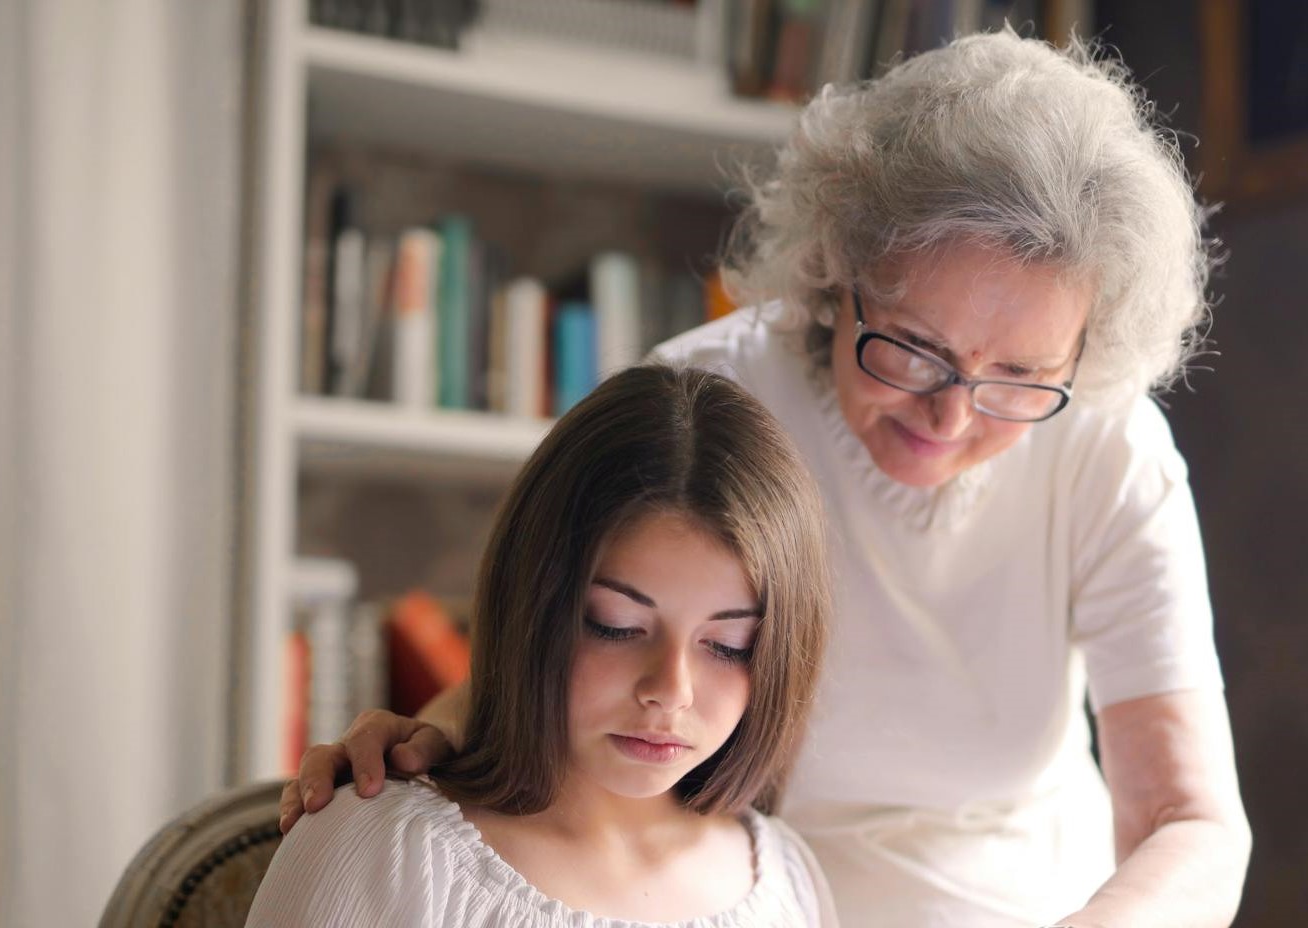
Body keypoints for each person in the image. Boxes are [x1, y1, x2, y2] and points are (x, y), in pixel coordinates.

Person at [282, 28, 1251, 928]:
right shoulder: (700, 406)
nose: (950, 415)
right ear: (836, 273)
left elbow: (1192, 821)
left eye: (1019, 378)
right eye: (910, 349)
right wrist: (433, 736)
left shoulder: (1106, 446)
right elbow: (573, 640)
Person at [249, 365, 839, 927]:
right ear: (533, 605)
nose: (670, 691)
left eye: (730, 644)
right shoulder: (384, 852)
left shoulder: (785, 883)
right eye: (615, 625)